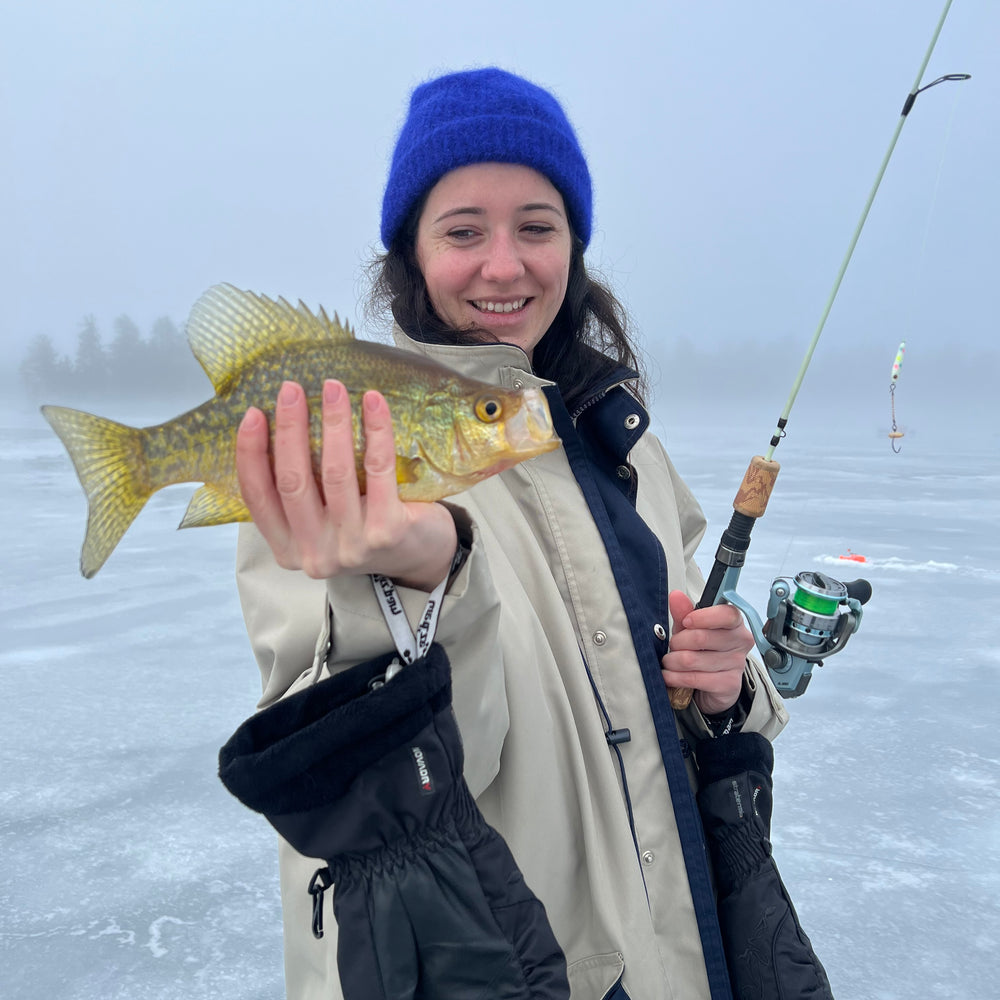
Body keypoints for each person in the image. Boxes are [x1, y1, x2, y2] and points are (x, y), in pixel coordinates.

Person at [234, 67, 789, 1000]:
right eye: (463, 231)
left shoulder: (624, 439)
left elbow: (693, 670)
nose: (505, 264)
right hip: (504, 966)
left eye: (538, 225)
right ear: (410, 253)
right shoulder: (336, 456)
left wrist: (729, 689)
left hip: (687, 957)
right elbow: (363, 803)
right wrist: (418, 588)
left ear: (574, 244)